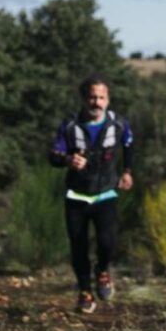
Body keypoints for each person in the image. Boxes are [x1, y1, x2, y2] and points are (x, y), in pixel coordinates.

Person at [49, 76, 134, 314]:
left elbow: (129, 145)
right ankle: (85, 292)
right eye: (92, 97)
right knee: (78, 246)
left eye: (101, 97)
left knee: (107, 242)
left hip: (106, 193)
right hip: (76, 196)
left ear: (108, 99)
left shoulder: (118, 124)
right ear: (84, 99)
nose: (96, 102)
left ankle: (103, 271)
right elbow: (53, 155)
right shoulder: (70, 125)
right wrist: (68, 159)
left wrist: (127, 171)